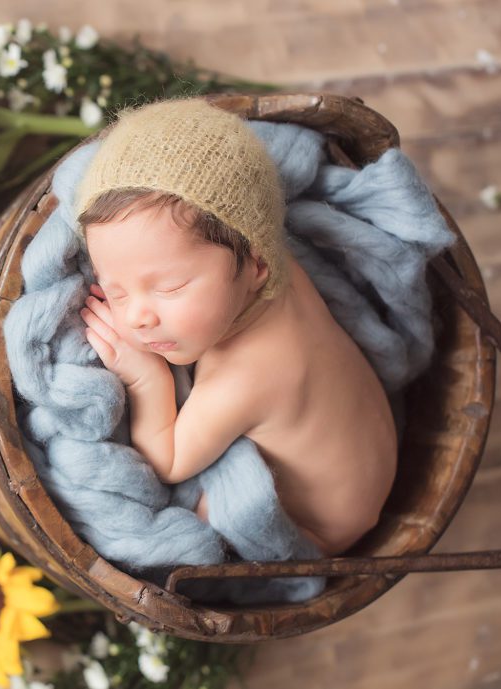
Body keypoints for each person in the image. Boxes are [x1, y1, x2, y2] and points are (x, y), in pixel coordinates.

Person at [75, 97, 397, 556]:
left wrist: (146, 374)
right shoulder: (276, 268)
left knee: (210, 515)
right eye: (116, 290)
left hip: (323, 526)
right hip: (370, 456)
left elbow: (168, 462)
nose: (135, 318)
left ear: (257, 264)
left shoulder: (246, 377)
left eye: (169, 287)